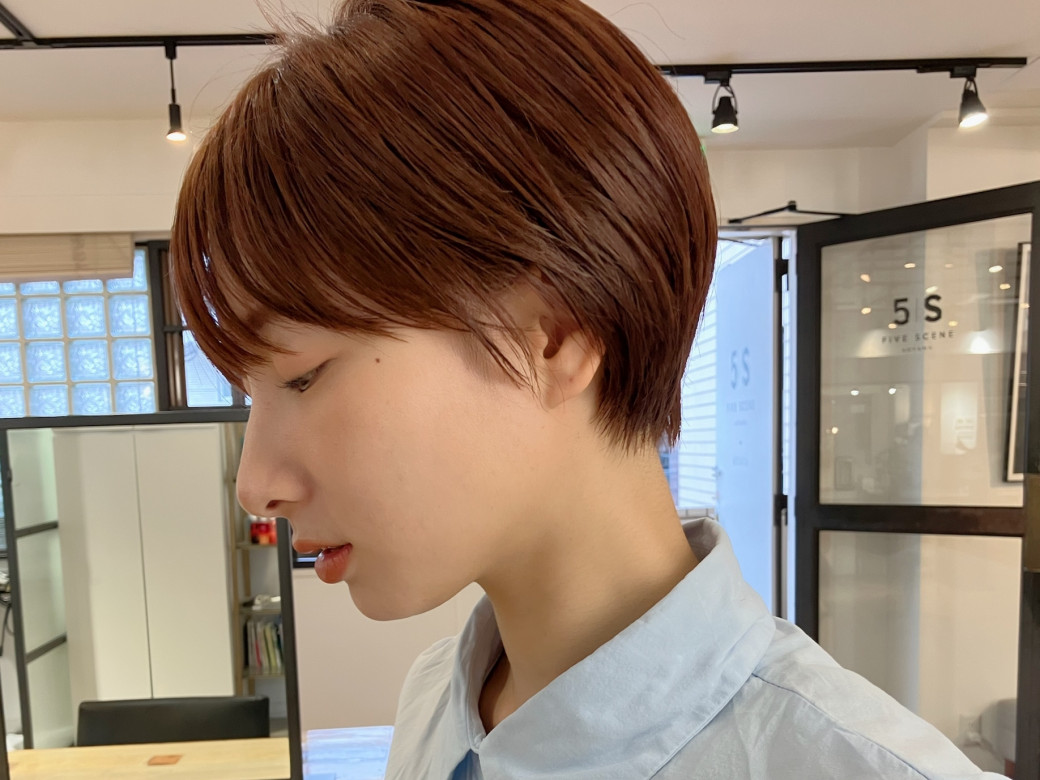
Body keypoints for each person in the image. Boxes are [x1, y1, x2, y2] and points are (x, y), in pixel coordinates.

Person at [169, 1, 1007, 777]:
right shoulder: (437, 698)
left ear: (556, 337)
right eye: (252, 393)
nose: (254, 482)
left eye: (303, 375)